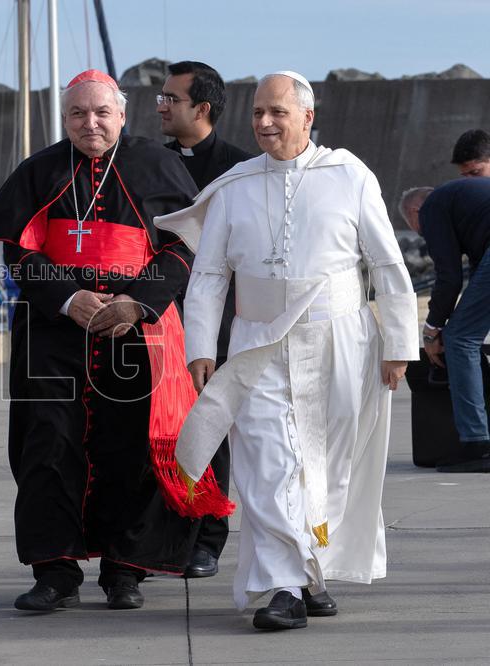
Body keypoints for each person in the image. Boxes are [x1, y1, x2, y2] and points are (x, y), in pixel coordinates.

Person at [155, 71, 418, 630]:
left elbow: (388, 264)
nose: (265, 123)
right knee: (267, 464)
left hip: (341, 339)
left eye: (277, 112)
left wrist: (399, 344)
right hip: (257, 343)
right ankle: (284, 587)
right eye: (257, 113)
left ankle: (312, 568)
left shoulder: (350, 176)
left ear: (307, 117)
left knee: (329, 464)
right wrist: (201, 346)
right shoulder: (235, 185)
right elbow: (207, 276)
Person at [0, 69, 232, 612]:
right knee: (47, 444)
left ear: (122, 114)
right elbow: (18, 252)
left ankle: (124, 569)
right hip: (54, 332)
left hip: (138, 330)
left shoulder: (157, 166)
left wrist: (138, 303)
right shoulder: (40, 170)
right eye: (78, 114)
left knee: (133, 448)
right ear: (64, 118)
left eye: (101, 112)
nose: (90, 123)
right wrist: (68, 298)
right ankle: (54, 570)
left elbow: (185, 249)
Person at [158, 60, 253, 579]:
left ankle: (206, 540)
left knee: (209, 427)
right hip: (153, 318)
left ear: (203, 108)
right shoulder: (148, 161)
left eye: (172, 98)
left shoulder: (242, 170)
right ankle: (162, 536)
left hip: (213, 326)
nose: (161, 106)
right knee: (158, 432)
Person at [402, 178, 490, 472]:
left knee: (461, 339)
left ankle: (477, 444)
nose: (423, 235)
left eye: (419, 231)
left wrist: (432, 330)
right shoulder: (467, 205)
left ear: (415, 213)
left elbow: (449, 276)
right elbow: (475, 276)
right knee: (464, 335)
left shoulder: (432, 207)